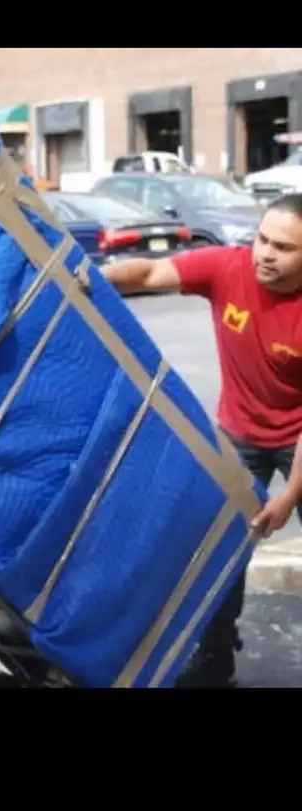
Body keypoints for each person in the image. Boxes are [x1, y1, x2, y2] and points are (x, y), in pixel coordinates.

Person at [100, 192, 302, 688]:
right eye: (263, 239)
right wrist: (87, 276)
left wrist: (287, 498)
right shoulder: (227, 267)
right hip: (240, 432)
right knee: (218, 550)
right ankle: (215, 658)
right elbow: (150, 273)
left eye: (284, 248)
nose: (266, 254)